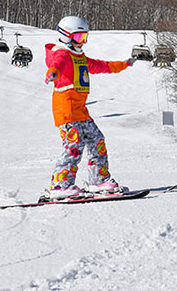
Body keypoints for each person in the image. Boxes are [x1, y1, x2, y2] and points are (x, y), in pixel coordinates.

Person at [43, 15, 135, 199]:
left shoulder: (79, 57)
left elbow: (101, 65)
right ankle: (60, 186)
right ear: (66, 36)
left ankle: (98, 180)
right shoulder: (62, 54)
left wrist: (123, 65)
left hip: (80, 110)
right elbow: (56, 64)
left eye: (85, 37)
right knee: (74, 146)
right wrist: (53, 73)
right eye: (79, 38)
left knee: (97, 140)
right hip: (66, 110)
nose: (82, 42)